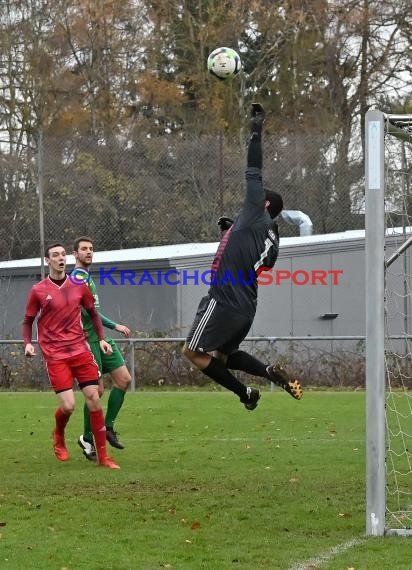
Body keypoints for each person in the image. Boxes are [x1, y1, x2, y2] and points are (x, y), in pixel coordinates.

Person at [182, 103, 303, 409]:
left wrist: (256, 129)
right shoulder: (272, 237)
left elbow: (253, 168)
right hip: (246, 308)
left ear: (262, 204)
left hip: (222, 301)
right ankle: (266, 372)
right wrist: (231, 231)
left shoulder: (255, 211)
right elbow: (252, 258)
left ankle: (245, 393)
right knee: (224, 356)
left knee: (192, 353)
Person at [23, 243, 120, 469]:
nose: (60, 258)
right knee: (68, 406)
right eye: (55, 255)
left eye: (63, 255)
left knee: (94, 397)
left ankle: (103, 458)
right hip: (55, 354)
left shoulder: (78, 285)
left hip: (80, 350)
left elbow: (94, 314)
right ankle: (59, 434)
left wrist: (103, 338)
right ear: (47, 261)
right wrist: (28, 344)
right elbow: (27, 321)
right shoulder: (38, 290)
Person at [72, 236, 132, 461]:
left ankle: (107, 427)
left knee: (124, 379)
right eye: (84, 249)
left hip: (101, 339)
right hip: (88, 341)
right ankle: (88, 437)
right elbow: (87, 313)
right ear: (75, 254)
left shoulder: (86, 277)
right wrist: (112, 327)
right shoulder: (77, 278)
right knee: (95, 392)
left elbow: (93, 311)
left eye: (91, 248)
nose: (89, 252)